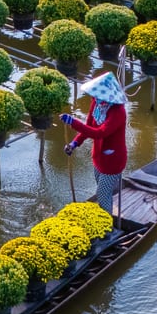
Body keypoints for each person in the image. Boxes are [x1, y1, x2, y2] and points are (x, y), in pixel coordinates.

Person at [61, 72, 128, 214]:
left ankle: (107, 228)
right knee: (102, 190)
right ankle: (105, 214)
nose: (95, 98)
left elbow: (100, 133)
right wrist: (74, 144)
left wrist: (73, 122)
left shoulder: (118, 112)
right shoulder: (97, 103)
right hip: (98, 156)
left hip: (113, 161)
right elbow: (89, 126)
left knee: (103, 195)